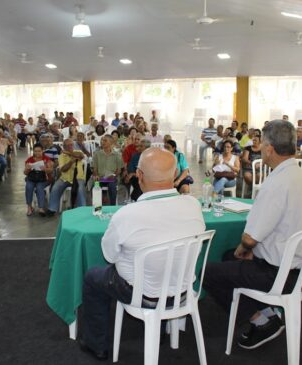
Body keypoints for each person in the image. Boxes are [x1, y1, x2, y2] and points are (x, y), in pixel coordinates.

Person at [80, 147, 206, 360]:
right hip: (182, 292)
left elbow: (109, 256)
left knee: (93, 276)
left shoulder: (127, 214)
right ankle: (161, 330)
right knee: (163, 267)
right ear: (175, 175)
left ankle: (96, 344)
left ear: (138, 175)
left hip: (143, 295)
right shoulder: (193, 205)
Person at [204, 120, 302, 350]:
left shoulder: (276, 183)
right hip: (295, 267)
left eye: (262, 144)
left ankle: (260, 320)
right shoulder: (297, 174)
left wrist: (245, 250)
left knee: (208, 272)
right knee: (229, 256)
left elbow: (249, 239)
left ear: (269, 148)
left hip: (275, 273)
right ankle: (267, 312)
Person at [47, 138, 86, 216]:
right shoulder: (61, 156)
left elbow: (81, 156)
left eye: (71, 145)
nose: (70, 147)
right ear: (64, 147)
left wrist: (69, 153)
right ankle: (52, 209)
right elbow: (63, 169)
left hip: (78, 177)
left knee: (80, 189)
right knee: (55, 187)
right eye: (68, 146)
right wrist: (71, 161)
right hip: (65, 178)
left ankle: (82, 209)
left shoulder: (78, 152)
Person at [92, 135, 123, 205]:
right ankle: (97, 208)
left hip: (112, 178)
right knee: (95, 187)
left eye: (105, 141)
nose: (102, 142)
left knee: (112, 186)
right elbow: (94, 168)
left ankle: (112, 207)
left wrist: (114, 175)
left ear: (111, 142)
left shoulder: (117, 155)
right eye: (102, 140)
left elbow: (119, 170)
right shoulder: (97, 154)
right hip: (100, 177)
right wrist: (96, 175)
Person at [24, 143, 53, 217]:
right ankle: (29, 207)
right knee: (28, 186)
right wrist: (28, 169)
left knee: (40, 187)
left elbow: (51, 171)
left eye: (39, 151)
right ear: (33, 151)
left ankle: (41, 207)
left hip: (43, 179)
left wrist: (45, 169)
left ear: (42, 151)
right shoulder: (29, 159)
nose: (37, 153)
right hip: (32, 178)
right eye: (35, 151)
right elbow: (25, 173)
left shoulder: (46, 159)